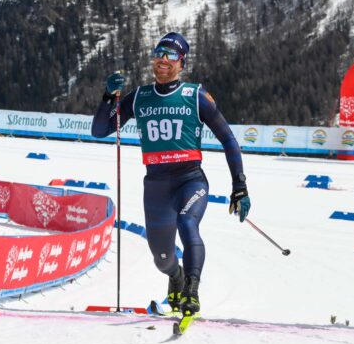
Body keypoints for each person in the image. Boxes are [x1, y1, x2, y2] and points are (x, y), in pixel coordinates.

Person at [90, 32, 250, 320]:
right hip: (156, 187)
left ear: (182, 63)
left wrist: (240, 186)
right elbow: (100, 130)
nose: (164, 60)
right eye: (159, 53)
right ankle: (175, 277)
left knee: (188, 223)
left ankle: (191, 291)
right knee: (162, 258)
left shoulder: (195, 96)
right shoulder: (139, 97)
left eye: (172, 55)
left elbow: (228, 139)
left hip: (190, 181)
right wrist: (106, 97)